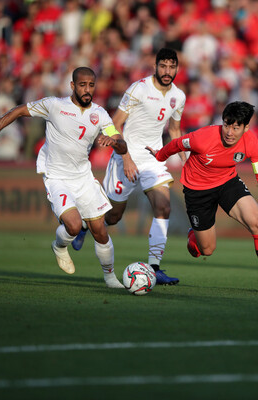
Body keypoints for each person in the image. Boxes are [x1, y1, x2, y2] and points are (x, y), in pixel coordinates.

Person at [0, 67, 128, 289]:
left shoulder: (100, 114)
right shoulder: (55, 105)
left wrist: (114, 141)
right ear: (73, 86)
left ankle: (110, 277)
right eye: (82, 85)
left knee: (100, 230)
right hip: (57, 176)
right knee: (74, 226)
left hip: (83, 177)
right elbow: (18, 111)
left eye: (91, 85)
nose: (87, 90)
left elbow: (122, 145)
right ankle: (59, 246)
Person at [147, 101, 258, 295]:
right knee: (206, 250)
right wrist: (159, 156)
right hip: (197, 190)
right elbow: (177, 144)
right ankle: (194, 235)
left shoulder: (251, 142)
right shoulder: (202, 137)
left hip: (228, 183)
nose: (229, 132)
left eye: (236, 127)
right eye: (227, 124)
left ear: (246, 128)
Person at [71, 48, 186, 286]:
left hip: (153, 160)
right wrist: (126, 157)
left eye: (171, 67)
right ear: (155, 66)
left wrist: (187, 162)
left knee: (163, 207)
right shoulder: (139, 89)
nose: (167, 71)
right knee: (112, 217)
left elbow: (174, 131)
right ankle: (84, 223)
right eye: (163, 66)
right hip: (125, 156)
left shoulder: (179, 97)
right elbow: (115, 124)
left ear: (177, 68)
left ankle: (154, 268)